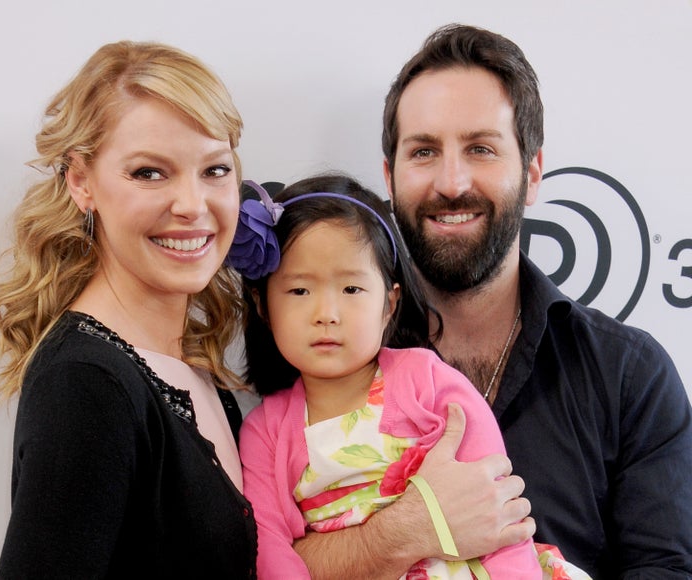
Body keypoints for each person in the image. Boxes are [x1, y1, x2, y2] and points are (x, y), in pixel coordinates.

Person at [380, 23, 692, 578]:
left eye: (481, 148)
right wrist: (408, 531)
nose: (452, 182)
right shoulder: (325, 358)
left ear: (531, 172)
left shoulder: (629, 376)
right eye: (424, 151)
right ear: (390, 176)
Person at [0, 41, 257, 577]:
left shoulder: (190, 368)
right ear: (81, 181)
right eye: (149, 173)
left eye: (215, 170)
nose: (191, 205)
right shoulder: (86, 384)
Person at [230, 173, 567, 579]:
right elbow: (269, 550)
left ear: (389, 303)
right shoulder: (264, 432)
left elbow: (495, 507)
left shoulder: (426, 381)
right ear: (264, 306)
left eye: (352, 290)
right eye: (299, 291)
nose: (327, 314)